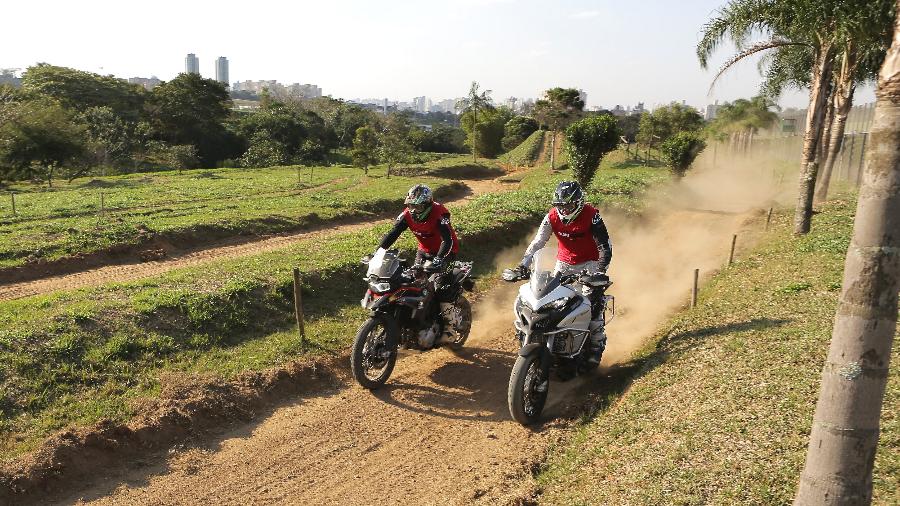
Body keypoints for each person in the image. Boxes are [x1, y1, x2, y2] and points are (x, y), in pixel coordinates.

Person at [512, 180, 612, 365]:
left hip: (591, 264)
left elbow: (604, 246)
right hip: (564, 264)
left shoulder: (592, 215)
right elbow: (538, 242)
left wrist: (599, 271)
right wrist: (523, 264)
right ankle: (551, 339)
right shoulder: (551, 217)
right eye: (561, 205)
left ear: (579, 202)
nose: (565, 209)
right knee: (551, 301)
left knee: (591, 305)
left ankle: (596, 345)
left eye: (569, 205)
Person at [371, 184, 461, 347]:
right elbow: (392, 234)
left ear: (427, 204)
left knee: (442, 287)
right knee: (415, 284)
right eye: (410, 205)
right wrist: (377, 252)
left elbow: (447, 240)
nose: (413, 209)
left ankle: (450, 328)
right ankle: (415, 320)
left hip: (446, 252)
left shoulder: (439, 213)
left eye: (417, 206)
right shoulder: (406, 215)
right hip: (424, 251)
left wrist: (440, 259)